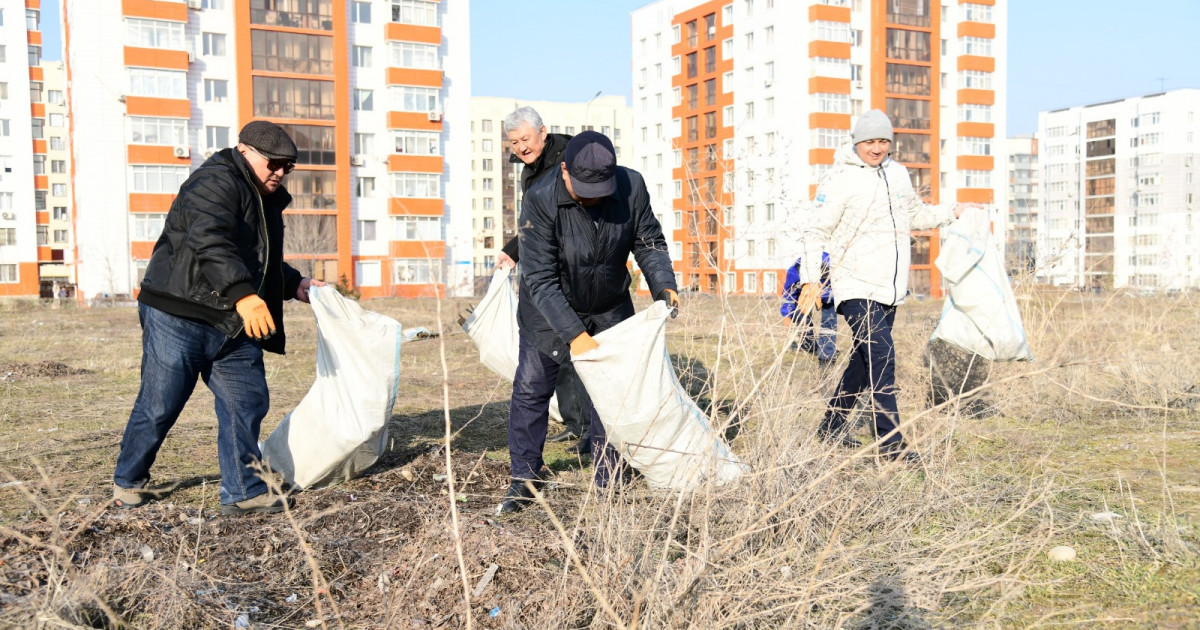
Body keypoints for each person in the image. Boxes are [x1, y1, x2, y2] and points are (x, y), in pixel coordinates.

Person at [112, 121, 324, 515]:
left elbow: (257, 259)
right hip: (179, 312)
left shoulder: (265, 197)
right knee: (160, 404)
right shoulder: (213, 181)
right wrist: (244, 295)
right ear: (244, 151)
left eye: (288, 166)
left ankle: (243, 491)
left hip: (232, 321)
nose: (280, 172)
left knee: (246, 401)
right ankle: (128, 480)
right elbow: (209, 240)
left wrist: (294, 282)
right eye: (273, 163)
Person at [499, 131, 679, 514]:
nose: (593, 199)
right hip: (547, 310)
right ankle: (525, 478)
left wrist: (664, 284)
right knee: (532, 389)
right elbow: (540, 279)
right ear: (564, 170)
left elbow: (648, 241)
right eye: (584, 191)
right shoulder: (540, 199)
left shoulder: (631, 187)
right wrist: (575, 335)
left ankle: (608, 479)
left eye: (600, 191)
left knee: (610, 394)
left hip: (609, 305)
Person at [797, 110, 980, 463]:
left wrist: (953, 211)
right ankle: (891, 445)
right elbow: (815, 230)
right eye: (870, 141)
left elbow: (915, 214)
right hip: (855, 285)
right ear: (856, 142)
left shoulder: (897, 174)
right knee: (882, 357)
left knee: (863, 362)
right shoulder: (839, 179)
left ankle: (831, 428)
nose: (877, 148)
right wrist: (810, 279)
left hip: (890, 288)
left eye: (883, 141)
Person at [496, 107, 592, 454]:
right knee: (556, 350)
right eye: (514, 142)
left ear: (543, 132)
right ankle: (576, 423)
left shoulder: (567, 161)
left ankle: (593, 432)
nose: (521, 147)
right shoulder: (531, 168)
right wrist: (513, 251)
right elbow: (535, 222)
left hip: (573, 270)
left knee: (578, 349)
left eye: (525, 139)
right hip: (548, 266)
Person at [780, 252, 837, 363]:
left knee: (828, 322)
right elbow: (788, 295)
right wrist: (787, 314)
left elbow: (837, 291)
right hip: (804, 294)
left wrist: (820, 294)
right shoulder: (794, 271)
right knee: (799, 314)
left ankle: (827, 357)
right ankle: (809, 345)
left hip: (828, 297)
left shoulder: (831, 268)